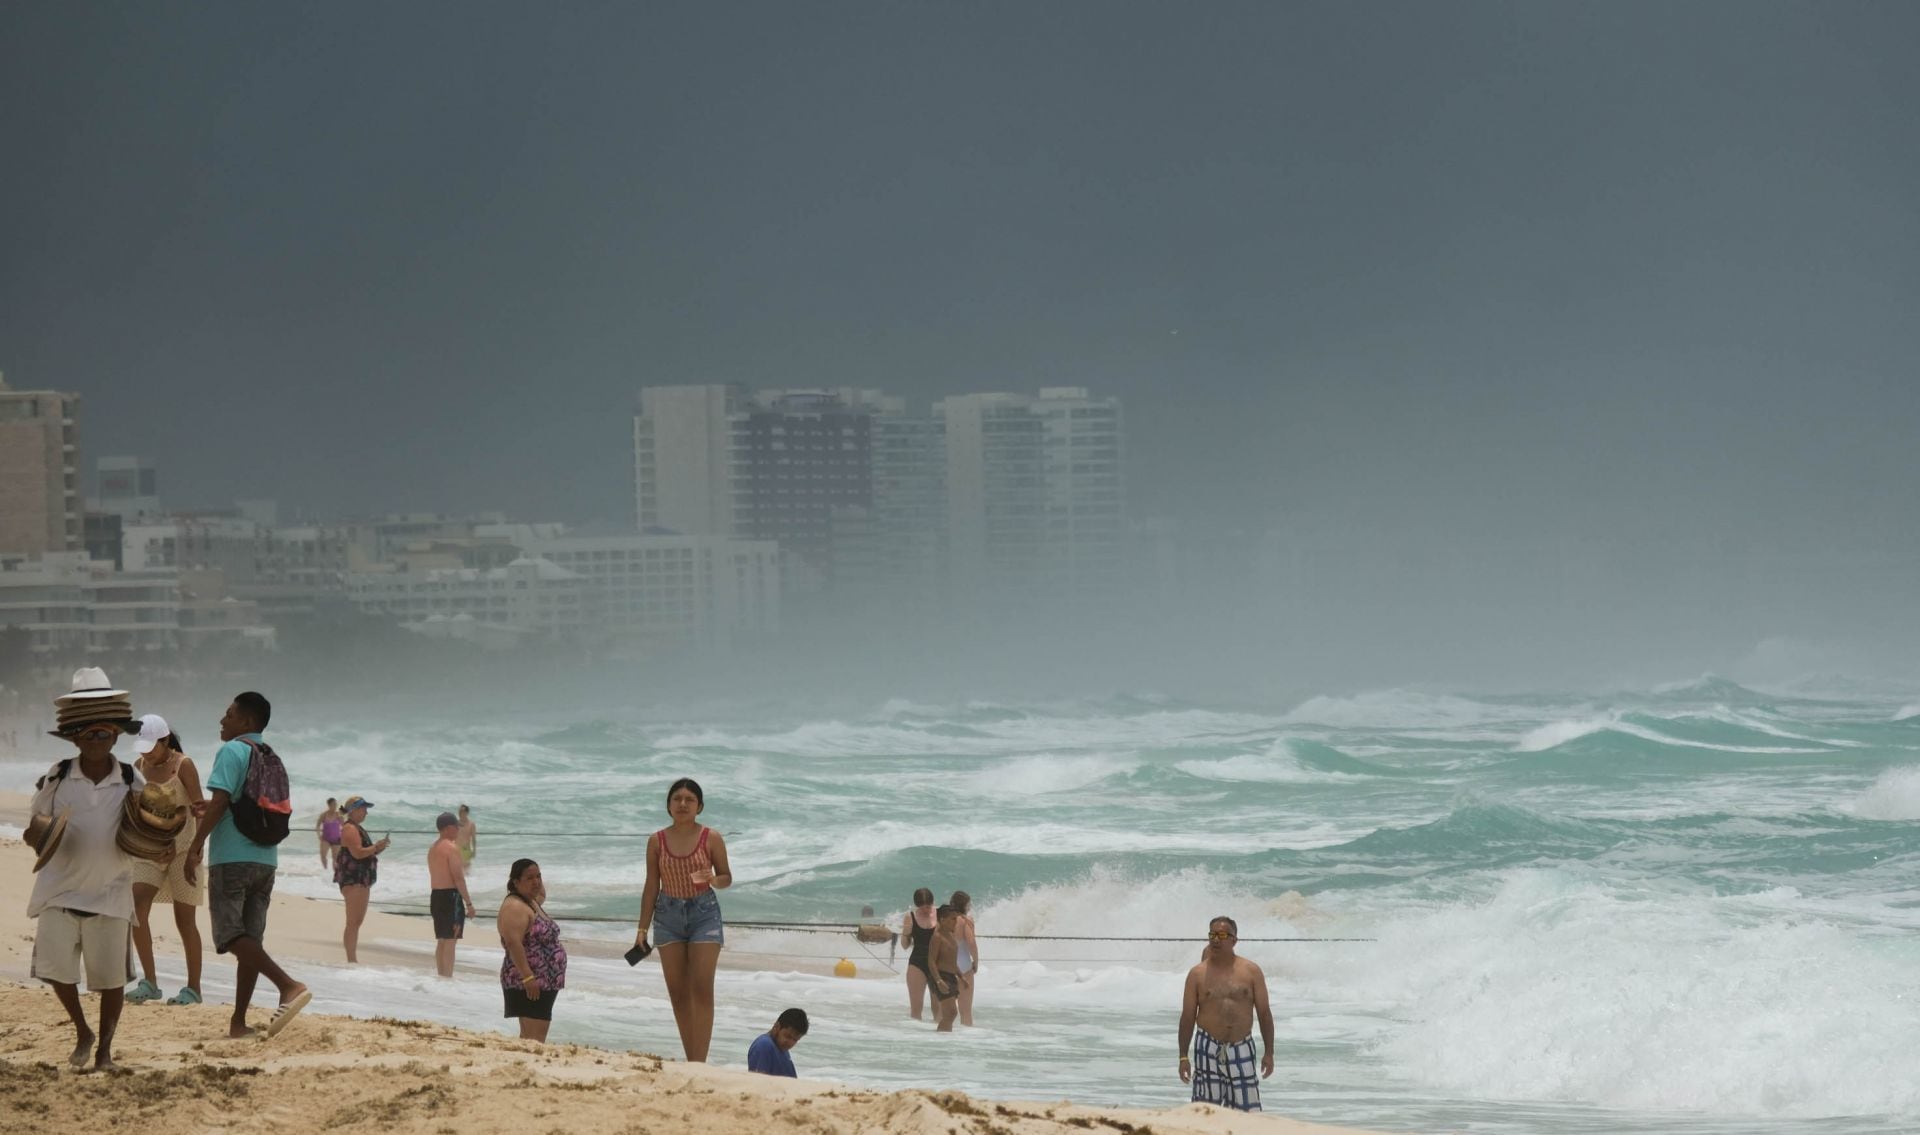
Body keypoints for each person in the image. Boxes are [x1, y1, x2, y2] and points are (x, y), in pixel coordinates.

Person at [28, 668, 144, 1070]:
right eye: (89, 734)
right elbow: (35, 826)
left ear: (116, 734)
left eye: (105, 733)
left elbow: (151, 822)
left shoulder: (131, 778)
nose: (97, 741)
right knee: (56, 971)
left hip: (111, 892)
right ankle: (82, 1029)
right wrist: (43, 837)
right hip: (58, 890)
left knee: (112, 981)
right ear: (74, 736)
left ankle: (105, 1051)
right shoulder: (57, 776)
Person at [184, 691, 312, 1039]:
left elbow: (223, 799)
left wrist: (195, 846)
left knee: (229, 934)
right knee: (250, 941)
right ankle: (238, 1022)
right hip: (266, 859)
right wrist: (210, 807)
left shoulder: (231, 750)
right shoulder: (269, 756)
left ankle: (288, 986)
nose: (221, 720)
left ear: (247, 722)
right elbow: (234, 802)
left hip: (232, 857)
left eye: (228, 714)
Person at [635, 777, 732, 1062]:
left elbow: (727, 876)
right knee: (678, 993)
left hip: (704, 913)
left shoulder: (711, 837)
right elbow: (652, 885)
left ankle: (699, 1062)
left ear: (699, 806)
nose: (682, 804)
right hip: (667, 915)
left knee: (701, 987)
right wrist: (642, 928)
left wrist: (713, 878)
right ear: (668, 806)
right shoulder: (656, 841)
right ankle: (692, 1058)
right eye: (676, 799)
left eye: (689, 800)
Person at [126, 714, 207, 1006]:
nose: (147, 752)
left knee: (184, 921)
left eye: (152, 746)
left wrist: (196, 851)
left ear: (165, 741)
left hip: (184, 850)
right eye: (143, 746)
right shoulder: (139, 767)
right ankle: (150, 982)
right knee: (135, 910)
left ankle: (193, 989)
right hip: (150, 850)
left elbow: (200, 810)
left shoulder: (183, 765)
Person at [1177, 916, 1275, 1112]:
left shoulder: (1251, 971)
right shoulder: (1197, 974)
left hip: (1242, 1045)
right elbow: (1187, 1016)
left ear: (1234, 940)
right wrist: (1183, 1057)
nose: (1215, 939)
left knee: (1247, 1110)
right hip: (1208, 1045)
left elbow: (1264, 1013)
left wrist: (1269, 1053)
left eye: (1222, 935)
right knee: (1205, 1109)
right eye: (1212, 934)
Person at [499, 858, 565, 1043]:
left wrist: (536, 880)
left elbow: (541, 894)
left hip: (543, 981)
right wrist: (528, 977)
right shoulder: (514, 907)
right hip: (528, 981)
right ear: (516, 882)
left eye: (539, 876)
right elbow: (513, 943)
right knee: (534, 1038)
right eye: (529, 878)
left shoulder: (530, 901)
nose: (536, 881)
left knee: (530, 1037)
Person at [333, 795, 388, 963]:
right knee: (353, 921)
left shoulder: (356, 827)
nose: (366, 813)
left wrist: (378, 848)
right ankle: (351, 959)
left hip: (360, 878)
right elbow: (357, 852)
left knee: (356, 921)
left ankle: (352, 958)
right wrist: (375, 847)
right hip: (354, 878)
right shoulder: (350, 828)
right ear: (354, 810)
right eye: (363, 809)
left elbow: (364, 851)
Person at [428, 811, 476, 978]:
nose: (458, 830)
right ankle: (447, 977)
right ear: (448, 828)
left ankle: (441, 976)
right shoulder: (451, 848)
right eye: (457, 827)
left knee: (442, 938)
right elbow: (458, 878)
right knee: (450, 940)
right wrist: (469, 904)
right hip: (450, 897)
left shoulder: (433, 848)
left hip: (436, 895)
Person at [898, 887, 937, 1020]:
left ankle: (940, 1039)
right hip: (917, 963)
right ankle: (915, 1038)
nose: (927, 910)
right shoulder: (910, 916)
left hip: (937, 963)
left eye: (929, 906)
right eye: (923, 907)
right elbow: (904, 945)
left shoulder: (940, 914)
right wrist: (906, 932)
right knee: (916, 1009)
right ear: (917, 905)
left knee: (938, 1009)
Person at [928, 904, 965, 1032]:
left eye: (956, 919)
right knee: (951, 1012)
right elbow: (931, 961)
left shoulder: (952, 937)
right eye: (953, 919)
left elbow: (952, 962)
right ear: (943, 920)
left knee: (951, 1013)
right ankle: (940, 1037)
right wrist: (938, 981)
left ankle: (944, 1038)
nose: (956, 922)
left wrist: (961, 977)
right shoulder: (937, 937)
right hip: (941, 976)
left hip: (951, 977)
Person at [747, 1008, 809, 1077]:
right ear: (777, 1027)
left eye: (795, 1040)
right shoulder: (764, 1045)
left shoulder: (781, 1048)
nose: (790, 1043)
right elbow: (759, 1080)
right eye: (788, 1036)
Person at [949, 890, 980, 1026]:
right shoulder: (965, 921)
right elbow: (971, 943)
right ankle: (966, 1040)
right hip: (964, 966)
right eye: (968, 904)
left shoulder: (944, 920)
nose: (970, 907)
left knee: (945, 1010)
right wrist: (976, 962)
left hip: (946, 966)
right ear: (964, 905)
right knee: (965, 1011)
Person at [316, 798, 343, 871]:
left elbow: (344, 826)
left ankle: (335, 875)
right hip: (325, 839)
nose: (335, 806)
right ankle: (325, 870)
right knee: (323, 856)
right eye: (333, 804)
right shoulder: (324, 815)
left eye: (336, 804)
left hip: (337, 839)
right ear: (329, 805)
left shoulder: (338, 815)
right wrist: (319, 835)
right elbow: (317, 826)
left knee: (335, 859)